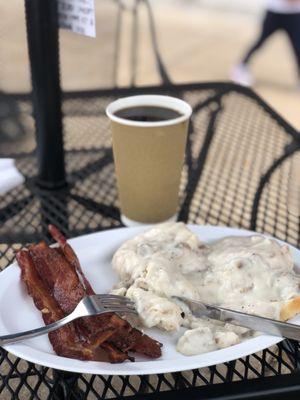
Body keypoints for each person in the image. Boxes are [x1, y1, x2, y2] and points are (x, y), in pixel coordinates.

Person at [231, 0, 300, 86]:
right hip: (275, 12)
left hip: (295, 14)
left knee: (298, 47)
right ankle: (241, 68)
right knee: (260, 41)